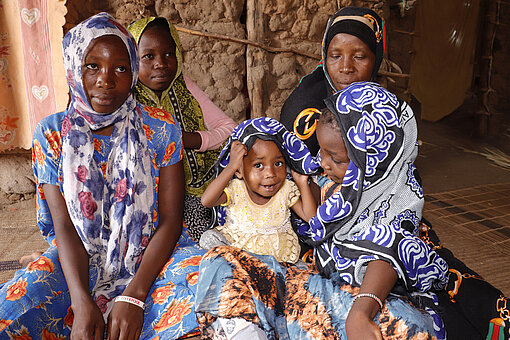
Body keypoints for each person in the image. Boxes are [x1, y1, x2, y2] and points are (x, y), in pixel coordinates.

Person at [0, 13, 204, 339]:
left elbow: (170, 219)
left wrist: (133, 297)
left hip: (151, 253)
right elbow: (65, 225)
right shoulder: (52, 134)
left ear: (133, 73)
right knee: (16, 309)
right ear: (72, 67)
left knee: (207, 299)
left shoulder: (160, 127)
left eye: (120, 68)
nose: (105, 81)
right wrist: (81, 302)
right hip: (79, 258)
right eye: (92, 66)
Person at [195, 82, 449, 340]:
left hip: (351, 299)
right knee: (222, 261)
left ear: (372, 159)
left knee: (408, 327)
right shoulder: (338, 185)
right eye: (321, 152)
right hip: (307, 286)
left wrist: (360, 313)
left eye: (336, 159)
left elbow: (390, 248)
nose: (321, 163)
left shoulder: (397, 196)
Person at [127, 17, 237, 242]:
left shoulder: (184, 86)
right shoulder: (126, 99)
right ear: (132, 59)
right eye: (148, 56)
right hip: (150, 199)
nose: (160, 63)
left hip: (202, 188)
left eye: (168, 54)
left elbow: (230, 129)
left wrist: (190, 139)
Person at [199, 117, 317, 264]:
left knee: (304, 274)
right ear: (240, 170)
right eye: (258, 165)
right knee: (208, 238)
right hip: (239, 261)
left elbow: (311, 218)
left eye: (278, 163)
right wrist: (231, 166)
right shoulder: (236, 189)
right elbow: (207, 201)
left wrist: (302, 183)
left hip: (279, 263)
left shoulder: (285, 190)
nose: (270, 173)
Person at [280, 6, 384, 156]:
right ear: (325, 57)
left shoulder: (383, 106)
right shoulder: (304, 110)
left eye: (359, 57)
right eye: (335, 56)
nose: (346, 68)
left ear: (376, 60)